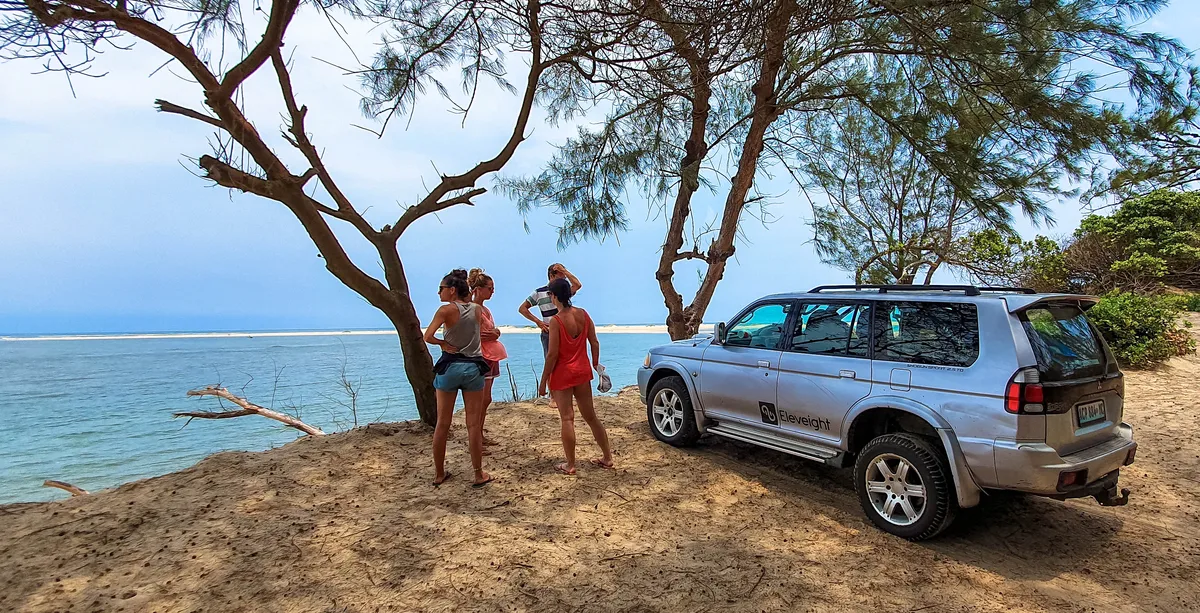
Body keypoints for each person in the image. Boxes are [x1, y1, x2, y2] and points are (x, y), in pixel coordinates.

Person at [424, 269, 493, 488]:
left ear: (452, 290)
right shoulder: (476, 309)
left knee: (443, 424)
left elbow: (427, 336)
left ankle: (439, 473)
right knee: (473, 425)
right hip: (473, 368)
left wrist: (443, 344)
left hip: (450, 367)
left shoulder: (445, 311)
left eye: (442, 289)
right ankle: (478, 473)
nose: (439, 293)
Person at [538, 278, 614, 475]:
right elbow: (594, 342)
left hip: (563, 374)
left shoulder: (556, 321)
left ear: (554, 296)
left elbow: (552, 354)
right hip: (582, 372)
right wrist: (596, 364)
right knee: (591, 417)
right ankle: (607, 457)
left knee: (567, 419)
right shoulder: (583, 315)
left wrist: (544, 379)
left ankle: (570, 464)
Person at [519, 263, 582, 408]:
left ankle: (566, 391)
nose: (564, 276)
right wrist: (538, 322)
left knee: (567, 361)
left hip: (565, 330)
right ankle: (552, 396)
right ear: (552, 275)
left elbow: (577, 284)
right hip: (548, 331)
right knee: (551, 361)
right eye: (561, 273)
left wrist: (565, 270)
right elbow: (523, 308)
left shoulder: (563, 291)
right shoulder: (539, 292)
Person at [469, 268, 505, 449]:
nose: (492, 292)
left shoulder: (486, 309)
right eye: (489, 288)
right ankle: (475, 438)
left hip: (491, 355)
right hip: (480, 356)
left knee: (486, 398)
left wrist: (495, 333)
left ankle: (480, 434)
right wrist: (487, 336)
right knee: (480, 399)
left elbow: (491, 330)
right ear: (479, 288)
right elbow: (470, 334)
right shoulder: (472, 308)